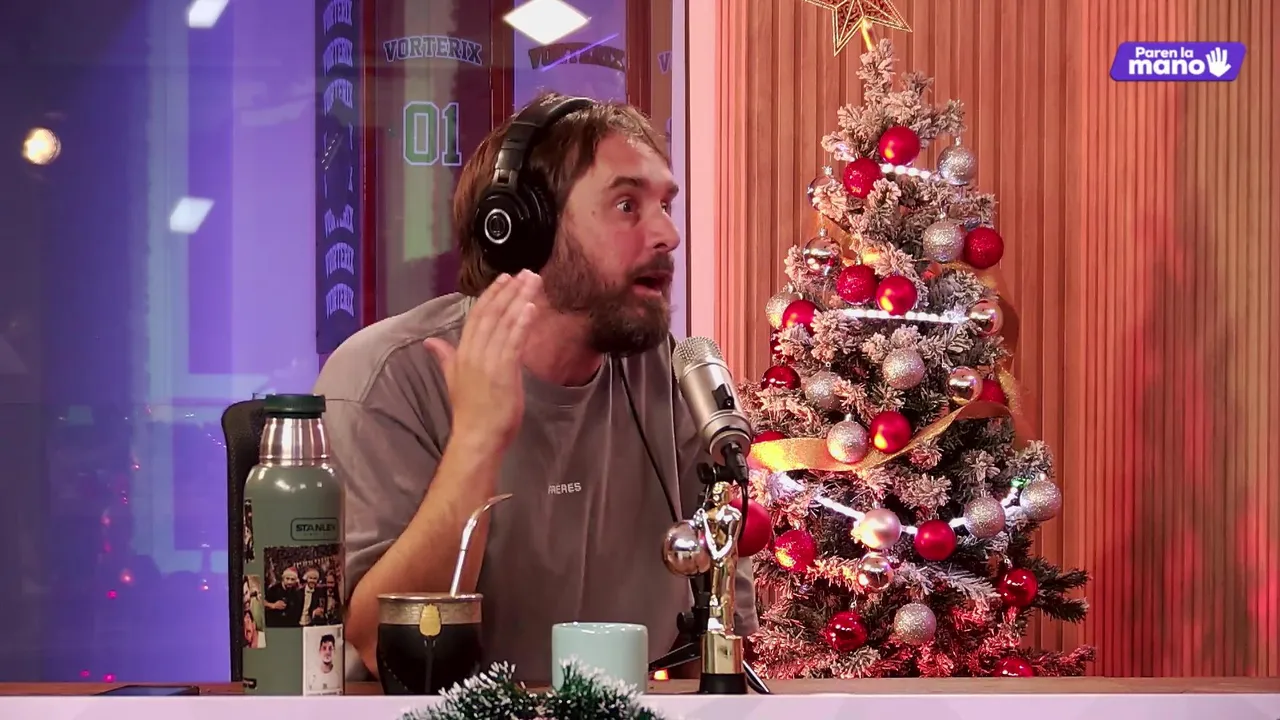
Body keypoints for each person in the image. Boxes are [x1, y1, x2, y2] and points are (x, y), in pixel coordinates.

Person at [313, 92, 757, 684]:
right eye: (627, 204)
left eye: (666, 205)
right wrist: (477, 443)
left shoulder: (675, 380)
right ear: (524, 230)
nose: (668, 234)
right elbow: (386, 650)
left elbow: (721, 642)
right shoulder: (387, 379)